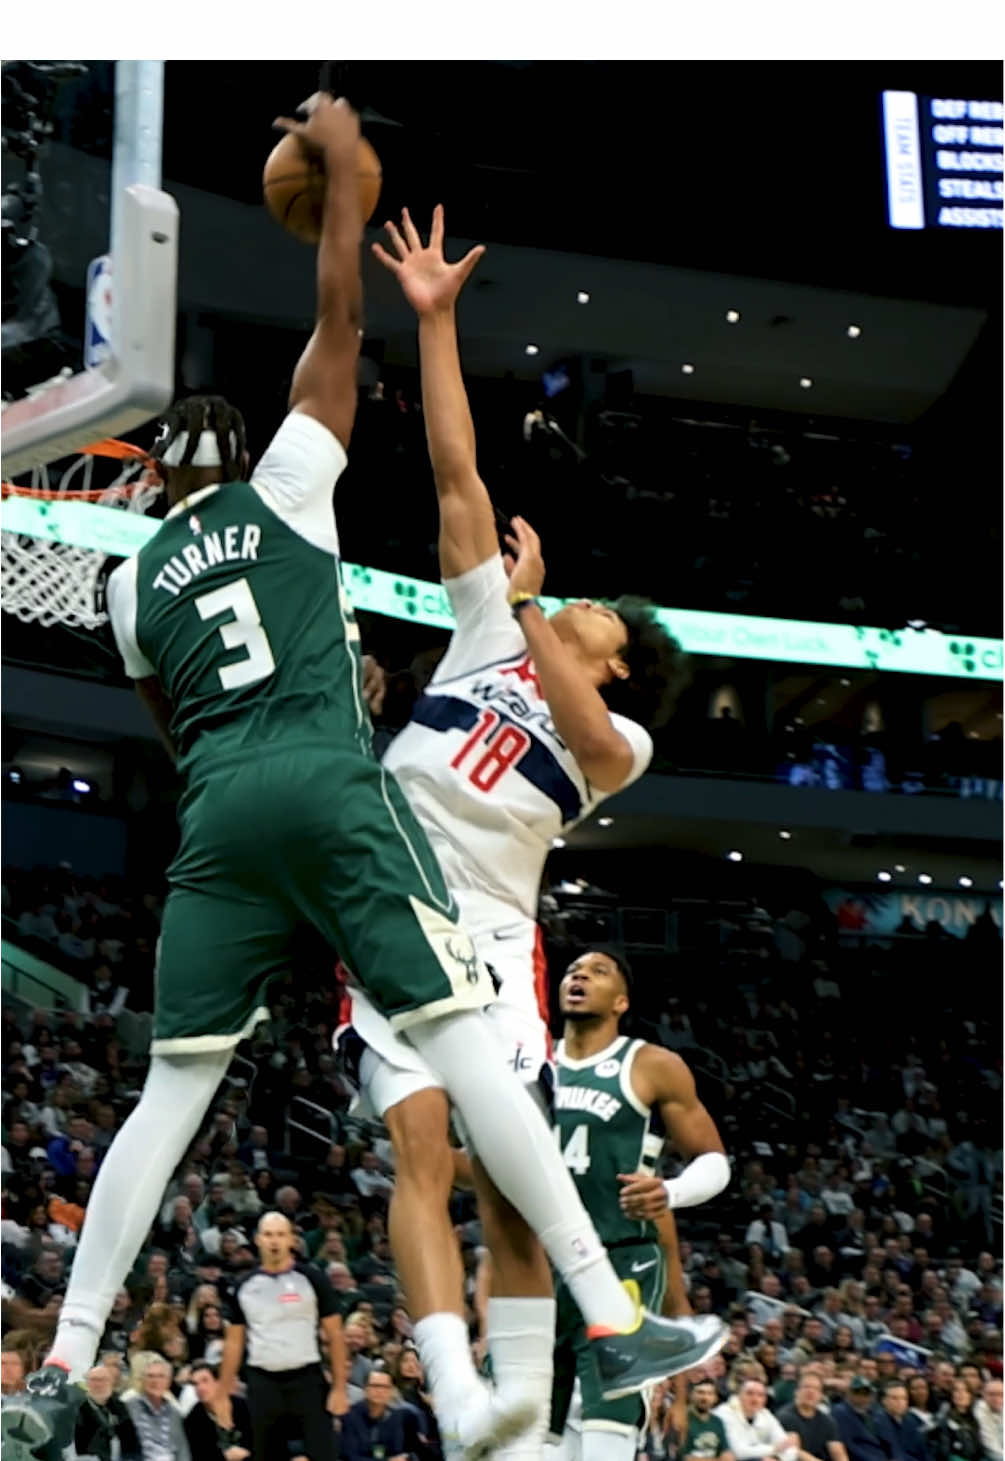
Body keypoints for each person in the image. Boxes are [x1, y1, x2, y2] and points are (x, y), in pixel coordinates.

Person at [6, 104, 706, 1461]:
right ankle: (588, 1335)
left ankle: (67, 1361)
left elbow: (173, 723)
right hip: (349, 819)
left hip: (262, 828)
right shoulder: (306, 498)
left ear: (145, 479)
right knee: (440, 1121)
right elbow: (405, 413)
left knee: (185, 1101)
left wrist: (526, 612)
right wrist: (373, 240)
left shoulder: (137, 587)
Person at [344, 203, 724, 1455]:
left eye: (593, 621)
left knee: (513, 1194)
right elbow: (459, 474)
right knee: (422, 1149)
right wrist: (435, 323)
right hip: (392, 895)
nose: (573, 609)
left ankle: (515, 1427)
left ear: (617, 665)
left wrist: (528, 613)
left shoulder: (620, 738)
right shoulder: (488, 629)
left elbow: (585, 724)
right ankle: (461, 1393)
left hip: (501, 945)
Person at [547, 948, 730, 1460]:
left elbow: (714, 1161)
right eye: (572, 970)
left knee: (609, 1419)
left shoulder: (652, 1065)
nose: (579, 975)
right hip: (540, 1264)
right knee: (527, 1431)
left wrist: (669, 1191)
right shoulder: (530, 1060)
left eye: (597, 971)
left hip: (620, 1261)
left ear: (621, 1002)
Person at [212, 1212, 345, 1461]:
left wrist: (339, 1387)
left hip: (307, 1379)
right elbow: (234, 1343)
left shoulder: (312, 1279)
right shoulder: (243, 1286)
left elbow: (336, 1335)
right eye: (268, 1235)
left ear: (292, 1240)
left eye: (281, 1235)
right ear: (258, 1239)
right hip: (263, 1383)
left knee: (323, 1453)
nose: (274, 1241)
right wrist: (222, 1394)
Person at [340, 1365, 415, 1460]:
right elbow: (350, 1456)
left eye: (385, 1387)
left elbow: (400, 1452)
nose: (379, 1391)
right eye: (375, 1386)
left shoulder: (397, 1417)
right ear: (365, 1389)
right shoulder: (350, 1416)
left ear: (391, 1391)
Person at [714, 1378, 800, 1461]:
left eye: (760, 1395)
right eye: (749, 1393)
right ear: (739, 1395)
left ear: (765, 1400)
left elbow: (791, 1450)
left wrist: (777, 1458)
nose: (755, 1399)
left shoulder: (765, 1414)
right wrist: (775, 1448)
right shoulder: (724, 1413)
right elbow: (738, 1452)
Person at [123, 1356, 191, 1461]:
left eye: (161, 1376)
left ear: (169, 1381)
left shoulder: (175, 1413)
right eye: (150, 1376)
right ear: (142, 1380)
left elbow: (183, 1451)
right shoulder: (128, 1408)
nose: (155, 1381)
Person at [182, 1362, 252, 1461]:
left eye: (205, 1381)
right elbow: (197, 1455)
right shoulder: (192, 1420)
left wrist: (246, 1452)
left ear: (218, 1382)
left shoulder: (242, 1406)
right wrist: (224, 1457)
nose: (200, 1388)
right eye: (195, 1384)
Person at [74, 1364, 142, 1461]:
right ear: (87, 1383)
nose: (98, 1384)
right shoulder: (77, 1409)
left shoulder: (121, 1407)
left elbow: (132, 1441)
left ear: (111, 1383)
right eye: (94, 1380)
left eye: (103, 1380)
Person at [777, 1372, 849, 1461]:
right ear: (796, 1391)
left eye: (816, 1389)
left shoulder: (827, 1421)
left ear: (821, 1395)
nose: (810, 1391)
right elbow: (795, 1452)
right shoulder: (785, 1416)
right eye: (806, 1387)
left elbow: (838, 1452)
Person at [677, 1377, 736, 1461]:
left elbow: (727, 1454)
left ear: (715, 1398)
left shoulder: (717, 1422)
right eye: (700, 1392)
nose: (705, 1397)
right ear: (691, 1395)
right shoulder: (682, 1420)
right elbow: (686, 1458)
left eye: (710, 1393)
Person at [833, 1378, 887, 1461]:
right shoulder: (840, 1412)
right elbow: (849, 1446)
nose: (863, 1397)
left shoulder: (875, 1412)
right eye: (858, 1392)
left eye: (866, 1393)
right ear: (849, 1393)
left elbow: (886, 1441)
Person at [932, 1378, 984, 1461]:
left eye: (965, 1390)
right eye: (956, 1390)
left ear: (970, 1395)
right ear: (951, 1395)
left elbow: (980, 1451)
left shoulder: (976, 1419)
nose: (961, 1394)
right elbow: (945, 1453)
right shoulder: (943, 1419)